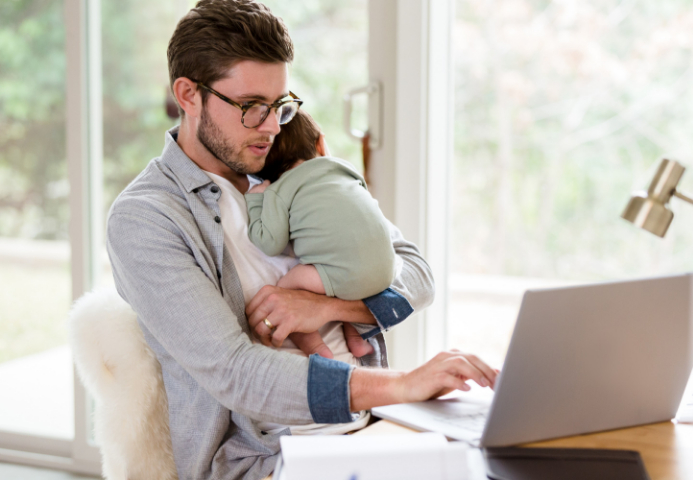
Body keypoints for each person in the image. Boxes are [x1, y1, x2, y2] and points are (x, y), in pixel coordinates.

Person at [106, 1, 498, 479]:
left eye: (280, 105)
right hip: (268, 460)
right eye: (251, 107)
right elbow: (236, 372)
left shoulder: (292, 165)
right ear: (189, 95)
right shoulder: (147, 217)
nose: (272, 127)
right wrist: (400, 385)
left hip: (370, 426)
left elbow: (415, 270)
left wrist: (330, 308)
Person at [246, 109, 391, 360]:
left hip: (344, 276)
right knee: (344, 278)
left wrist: (256, 201)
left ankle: (316, 348)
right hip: (387, 271)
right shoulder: (345, 169)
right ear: (321, 143)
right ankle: (356, 338)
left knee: (285, 290)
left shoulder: (279, 192)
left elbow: (270, 243)